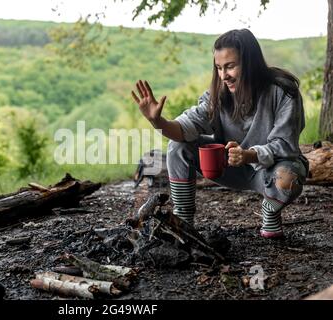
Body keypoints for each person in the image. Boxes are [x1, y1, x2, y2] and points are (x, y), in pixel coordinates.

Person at [131, 29, 309, 239]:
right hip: (227, 167)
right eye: (219, 68)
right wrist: (157, 121)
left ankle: (270, 210)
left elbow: (285, 145)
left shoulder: (283, 91)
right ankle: (184, 222)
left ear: (250, 62)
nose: (224, 75)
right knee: (178, 146)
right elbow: (184, 128)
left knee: (289, 178)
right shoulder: (217, 94)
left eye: (230, 66)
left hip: (270, 170)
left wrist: (248, 154)